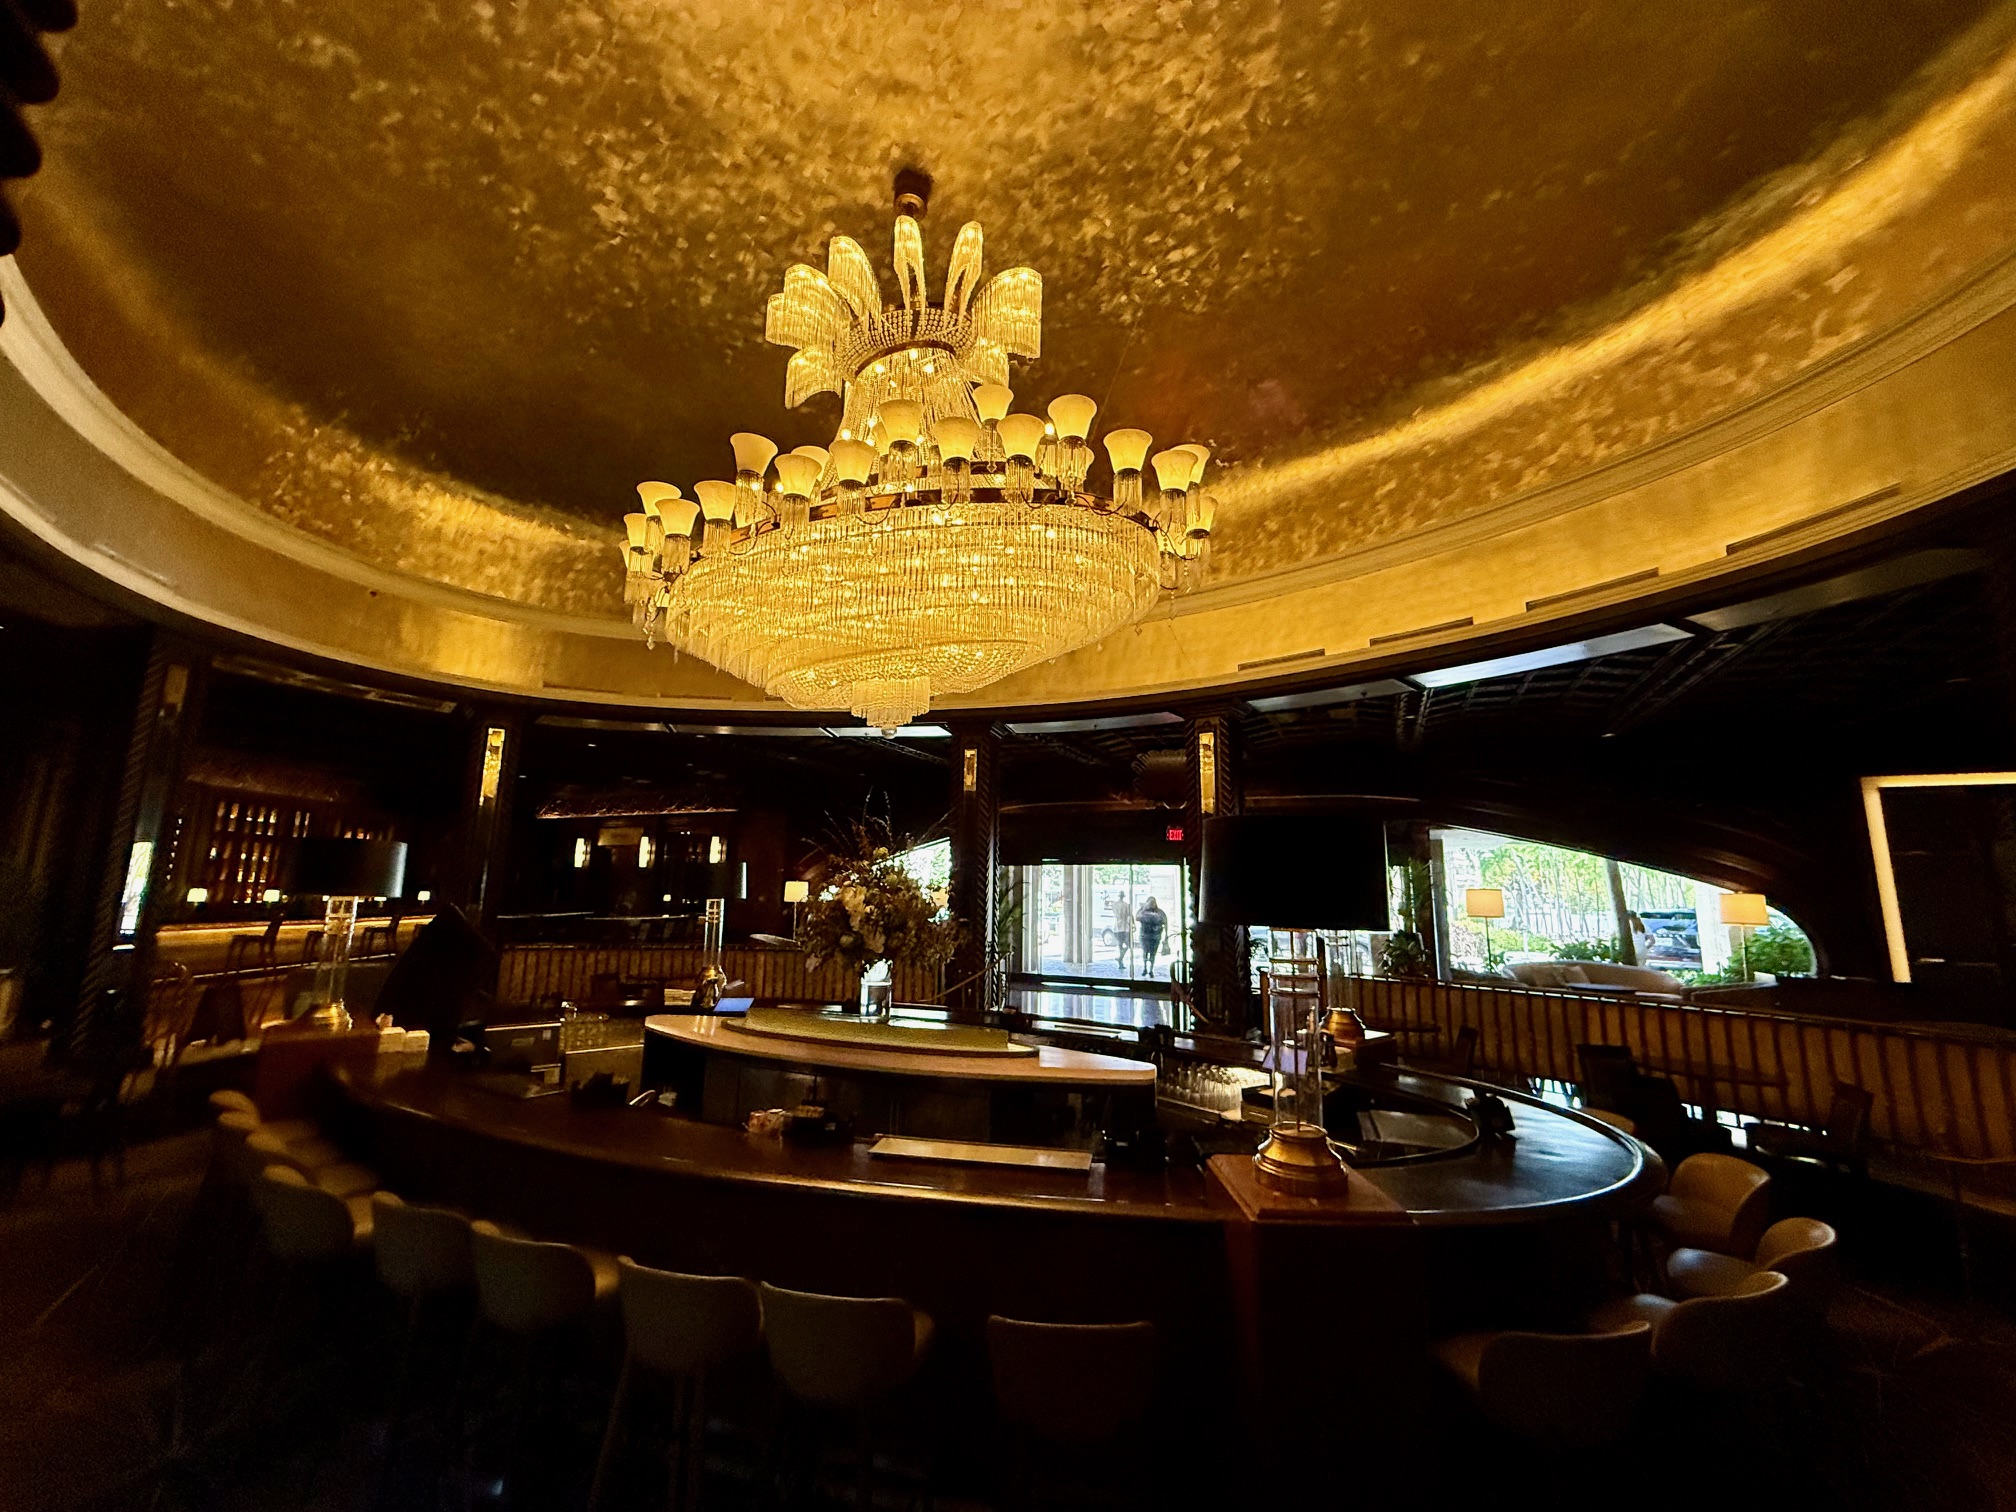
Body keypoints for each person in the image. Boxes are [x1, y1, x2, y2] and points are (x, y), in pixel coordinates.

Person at [1137, 896, 1168, 965]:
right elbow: (1137, 917)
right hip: (1145, 936)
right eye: (1150, 903)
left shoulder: (1159, 912)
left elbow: (1165, 921)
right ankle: (1145, 966)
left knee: (1152, 953)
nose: (1152, 904)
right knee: (1145, 952)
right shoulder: (1143, 910)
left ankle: (1151, 969)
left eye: (1153, 903)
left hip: (1155, 936)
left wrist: (1166, 934)